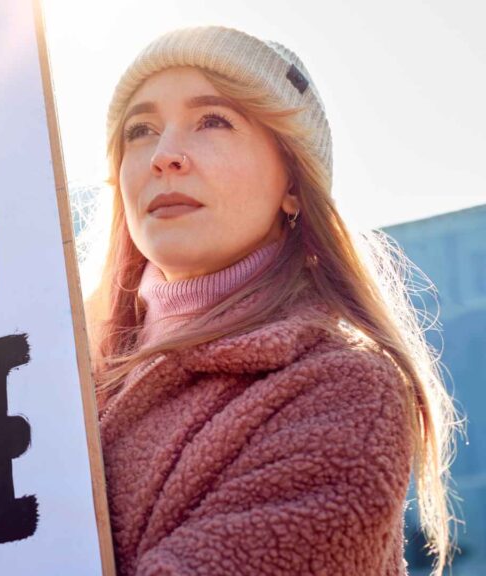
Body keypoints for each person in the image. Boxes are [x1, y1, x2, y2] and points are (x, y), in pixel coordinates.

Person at [84, 26, 459, 576]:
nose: (164, 155)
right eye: (140, 130)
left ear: (292, 182)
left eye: (213, 120)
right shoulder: (51, 384)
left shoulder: (341, 388)